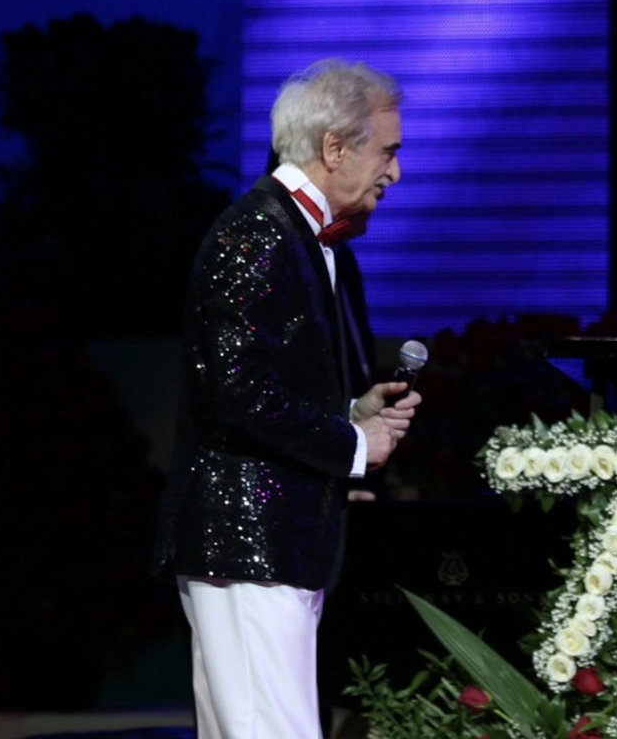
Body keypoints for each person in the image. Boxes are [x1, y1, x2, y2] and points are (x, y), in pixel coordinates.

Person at [152, 58, 420, 739]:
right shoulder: (258, 234)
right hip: (249, 543)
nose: (395, 172)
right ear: (335, 149)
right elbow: (239, 393)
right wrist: (353, 443)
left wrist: (350, 414)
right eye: (387, 151)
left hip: (275, 545)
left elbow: (265, 387)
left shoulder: (304, 239)